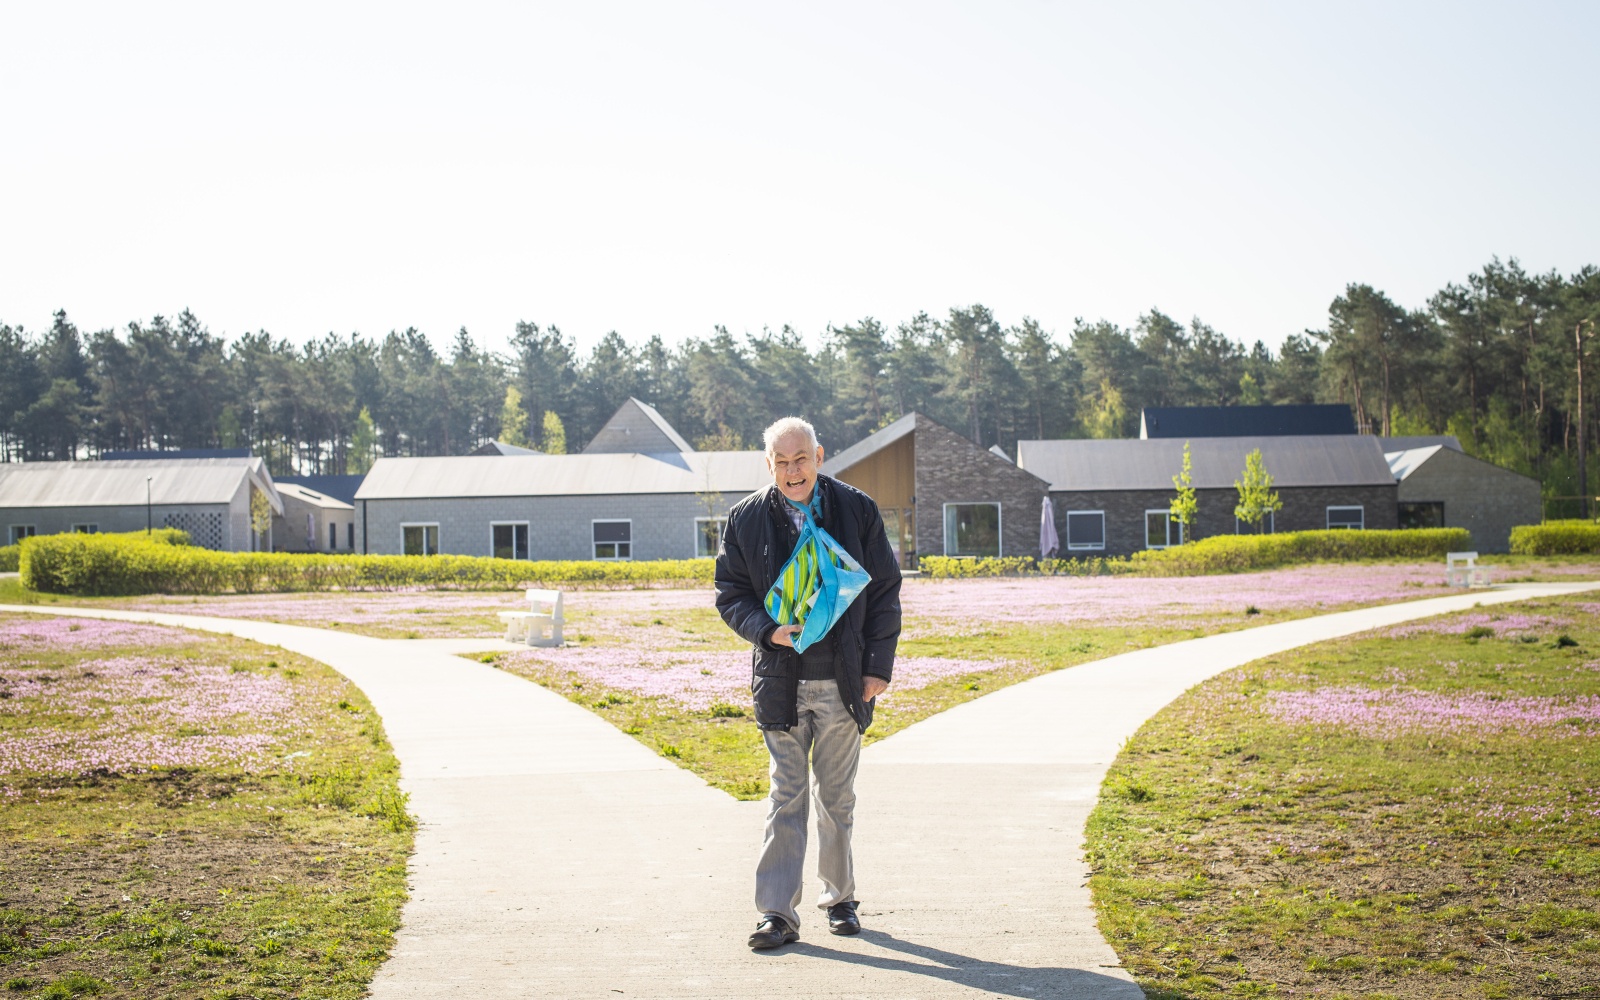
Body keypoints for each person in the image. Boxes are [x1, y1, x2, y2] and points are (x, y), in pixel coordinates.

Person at [714, 416, 903, 950]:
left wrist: (876, 669)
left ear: (819, 456)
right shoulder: (745, 519)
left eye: (801, 459)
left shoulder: (856, 509)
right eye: (782, 462)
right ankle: (777, 913)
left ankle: (839, 899)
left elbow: (886, 590)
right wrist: (767, 630)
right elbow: (729, 593)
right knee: (785, 797)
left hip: (844, 683)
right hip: (781, 680)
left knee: (836, 799)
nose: (793, 471)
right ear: (768, 465)